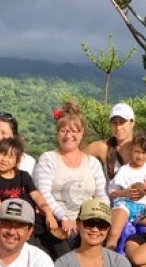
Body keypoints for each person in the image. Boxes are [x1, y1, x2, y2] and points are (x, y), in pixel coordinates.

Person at [33, 101, 108, 250]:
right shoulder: (48, 159)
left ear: (81, 133)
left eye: (74, 131)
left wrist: (103, 218)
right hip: (56, 224)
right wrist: (63, 218)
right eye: (64, 131)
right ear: (57, 133)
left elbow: (101, 196)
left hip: (88, 225)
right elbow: (44, 193)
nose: (69, 135)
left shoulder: (93, 163)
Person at [0, 136, 58, 240]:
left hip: (31, 218)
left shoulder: (24, 176)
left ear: (16, 161)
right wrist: (20, 223)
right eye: (2, 154)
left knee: (57, 238)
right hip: (8, 221)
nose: (4, 160)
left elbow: (36, 196)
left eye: (10, 157)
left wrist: (49, 214)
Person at [105, 129, 146, 250]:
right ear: (132, 150)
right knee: (114, 231)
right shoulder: (124, 170)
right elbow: (112, 192)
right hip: (125, 204)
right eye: (137, 151)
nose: (140, 156)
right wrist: (125, 193)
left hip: (143, 207)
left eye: (144, 153)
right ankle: (109, 252)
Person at [86, 101, 136, 181]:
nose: (118, 127)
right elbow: (77, 156)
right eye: (114, 123)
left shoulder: (143, 148)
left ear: (132, 123)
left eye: (122, 122)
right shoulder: (103, 147)